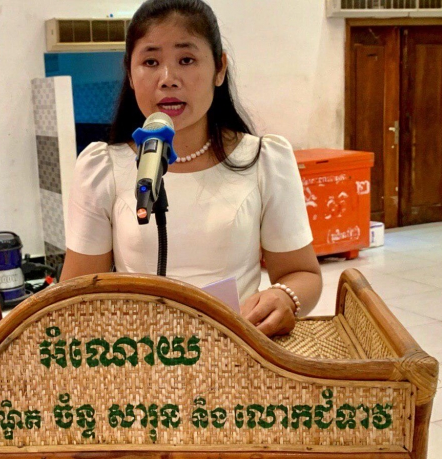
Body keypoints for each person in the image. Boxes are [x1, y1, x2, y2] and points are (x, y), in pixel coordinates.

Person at [60, 0, 322, 337]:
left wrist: (284, 298)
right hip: (142, 357)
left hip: (236, 351)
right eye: (150, 62)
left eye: (186, 60)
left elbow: (304, 275)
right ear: (130, 73)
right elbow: (76, 298)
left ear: (219, 68)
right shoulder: (103, 167)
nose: (168, 79)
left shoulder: (263, 160)